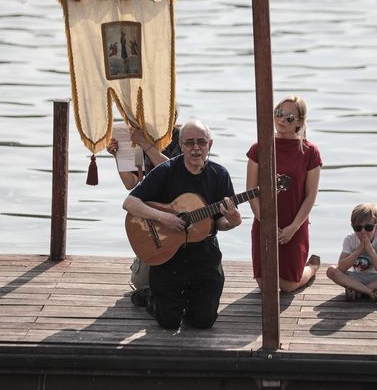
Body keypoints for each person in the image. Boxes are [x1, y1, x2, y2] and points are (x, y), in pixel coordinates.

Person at [122, 120, 242, 329]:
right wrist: (163, 217)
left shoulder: (219, 174)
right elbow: (130, 203)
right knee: (169, 322)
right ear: (181, 144)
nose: (196, 148)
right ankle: (149, 296)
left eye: (201, 142)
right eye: (189, 143)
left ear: (210, 145)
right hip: (169, 254)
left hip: (204, 253)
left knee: (202, 322)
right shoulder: (166, 170)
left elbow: (220, 223)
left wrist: (233, 220)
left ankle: (188, 301)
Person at [246, 95, 322, 292]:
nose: (281, 120)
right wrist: (265, 222)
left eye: (289, 117)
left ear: (299, 122)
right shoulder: (259, 148)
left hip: (294, 223)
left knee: (288, 286)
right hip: (264, 222)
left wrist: (293, 228)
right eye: (279, 113)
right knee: (265, 286)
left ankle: (311, 267)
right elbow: (250, 191)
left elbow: (310, 195)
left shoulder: (310, 151)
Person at [107, 124, 181, 304]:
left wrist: (145, 144)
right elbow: (130, 183)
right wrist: (118, 155)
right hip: (153, 215)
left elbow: (178, 174)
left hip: (178, 208)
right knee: (142, 283)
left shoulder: (181, 136)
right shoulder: (134, 133)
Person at [325, 203, 377, 304]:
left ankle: (358, 291)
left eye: (368, 227)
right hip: (356, 278)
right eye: (358, 228)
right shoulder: (350, 239)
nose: (363, 232)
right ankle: (370, 292)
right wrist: (358, 251)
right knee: (331, 270)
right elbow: (341, 268)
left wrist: (371, 251)